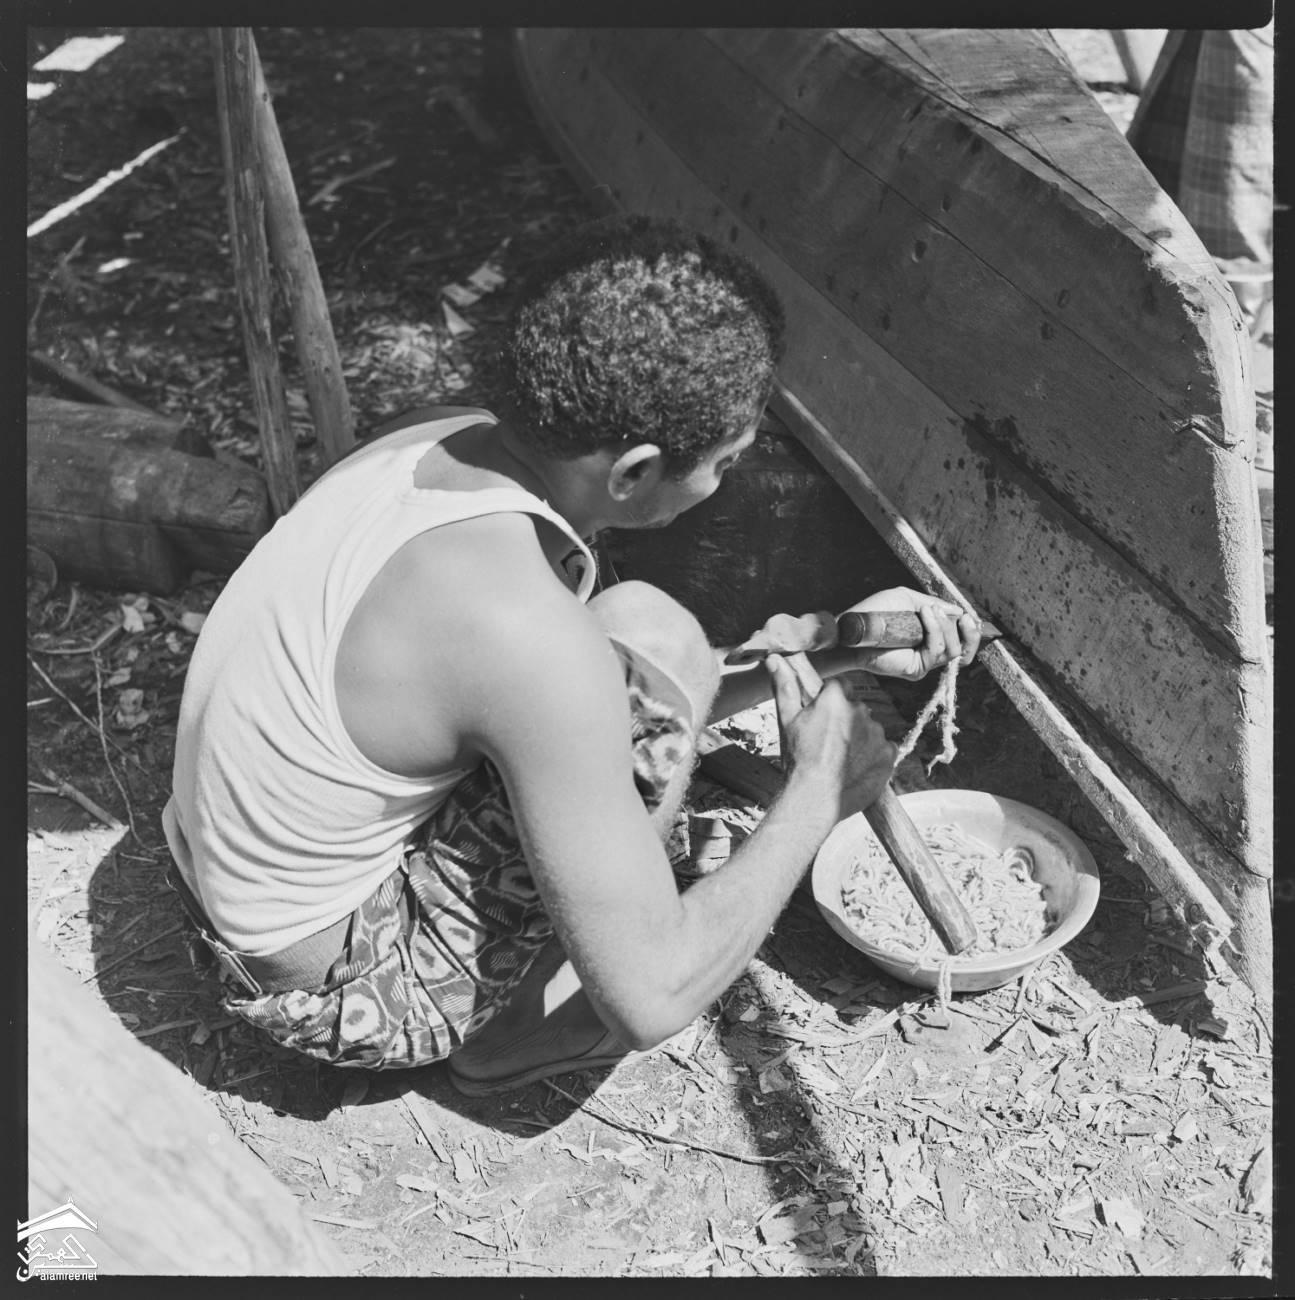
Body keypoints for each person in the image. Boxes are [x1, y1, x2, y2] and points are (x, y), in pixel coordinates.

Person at [163, 214, 981, 1096]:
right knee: (653, 635)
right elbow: (650, 998)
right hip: (336, 987)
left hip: (217, 884)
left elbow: (565, 703)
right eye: (725, 462)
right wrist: (820, 788)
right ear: (632, 472)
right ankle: (514, 1029)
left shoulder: (441, 437)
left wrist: (832, 649)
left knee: (648, 638)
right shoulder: (519, 630)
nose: (724, 484)